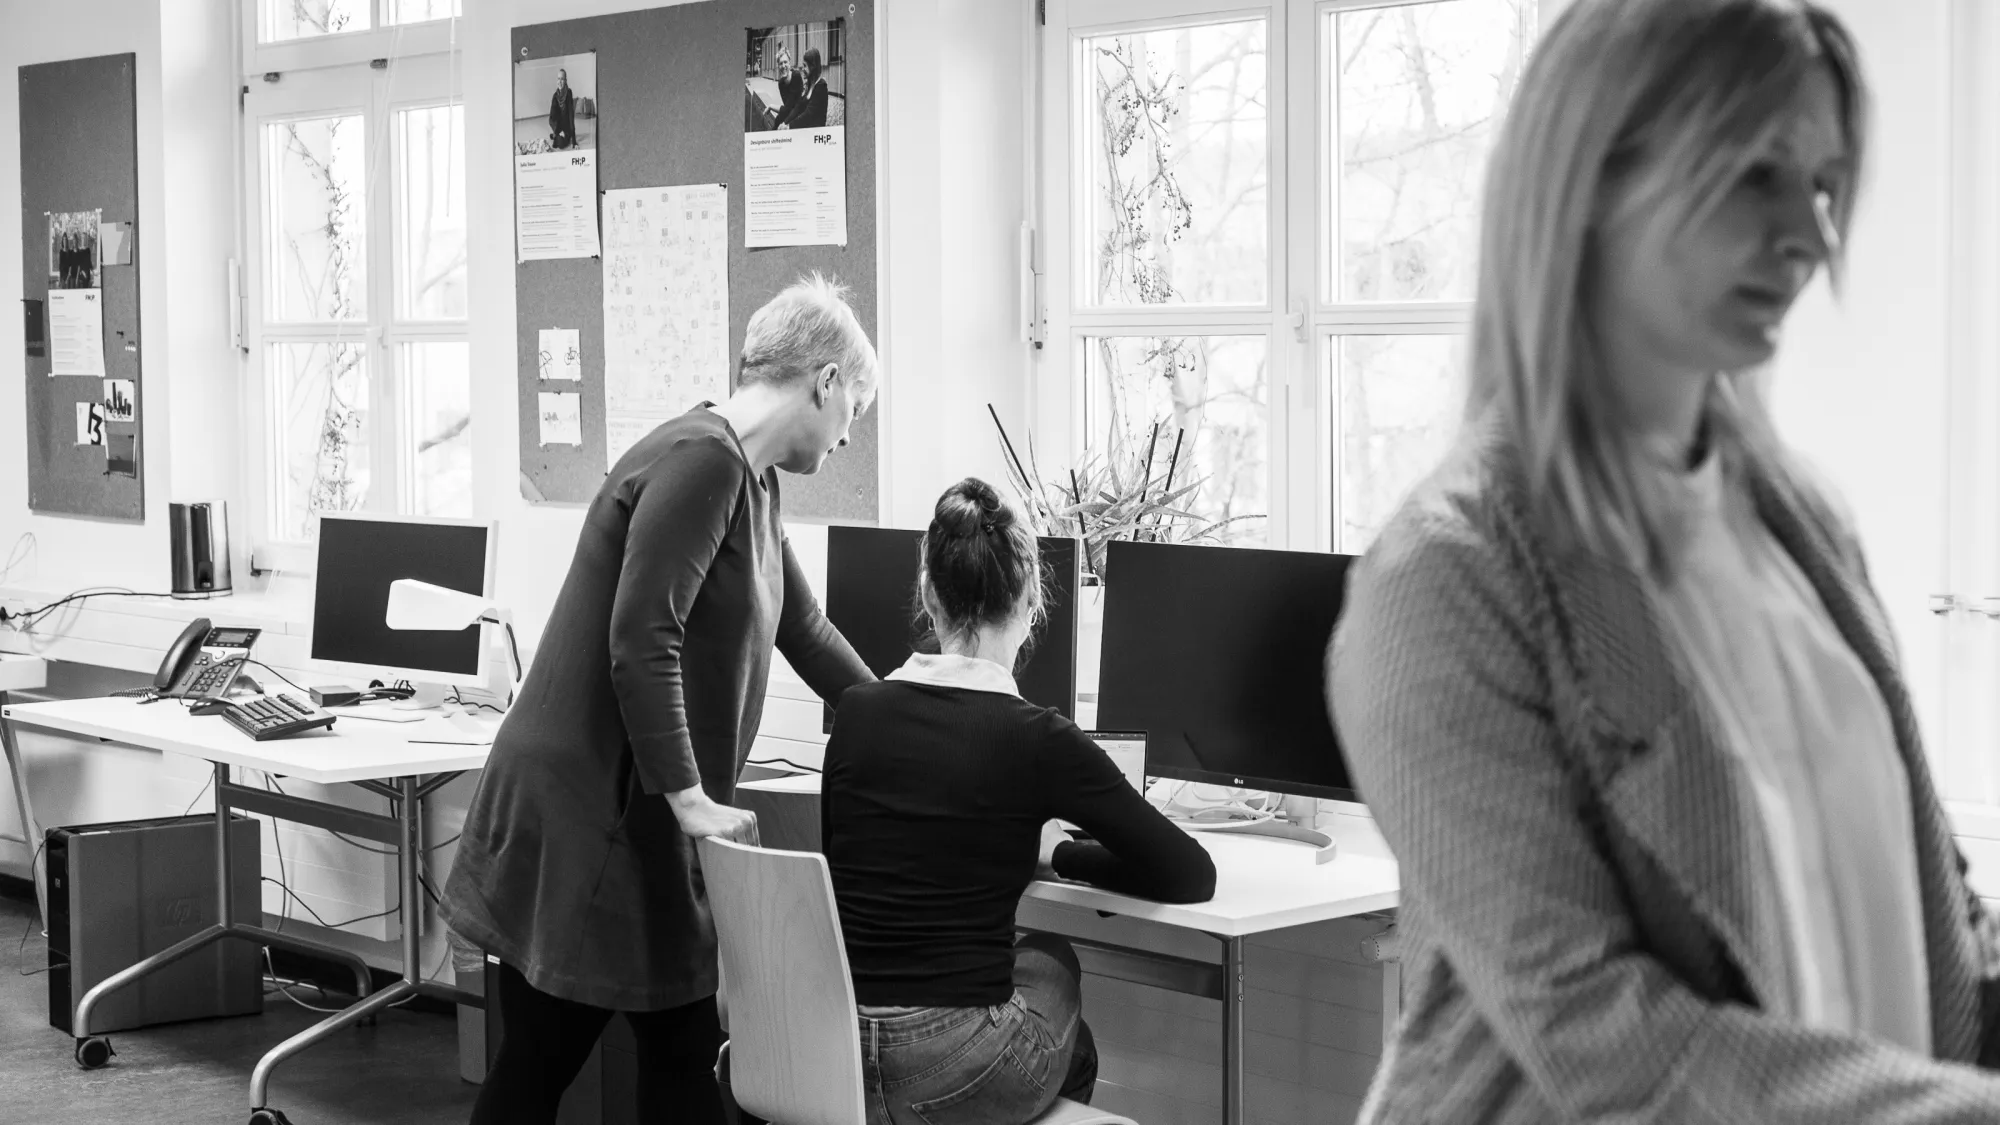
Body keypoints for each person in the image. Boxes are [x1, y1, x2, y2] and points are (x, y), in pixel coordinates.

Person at [1327, 1, 2000, 1121]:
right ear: (1587, 183)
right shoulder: (1448, 580)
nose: (1812, 237)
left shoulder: (1803, 521)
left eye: (1824, 185)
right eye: (1754, 175)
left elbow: (1930, 900)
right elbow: (1597, 1034)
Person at [445, 275, 882, 1125]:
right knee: (546, 1060)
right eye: (853, 414)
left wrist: (906, 720)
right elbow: (643, 638)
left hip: (641, 816)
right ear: (825, 382)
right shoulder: (702, 462)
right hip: (592, 817)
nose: (846, 438)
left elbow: (807, 628)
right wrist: (691, 801)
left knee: (676, 1052)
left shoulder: (750, 478)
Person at [821, 478, 1217, 1125]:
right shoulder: (1038, 738)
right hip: (947, 1068)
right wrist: (1060, 852)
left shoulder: (856, 712)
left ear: (927, 594)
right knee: (1053, 963)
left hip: (835, 1052)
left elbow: (842, 866)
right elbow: (1190, 873)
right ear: (1032, 599)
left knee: (1057, 1022)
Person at [773, 47, 829, 131]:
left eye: (805, 66)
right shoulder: (809, 86)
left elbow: (808, 114)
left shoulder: (821, 86)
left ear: (812, 66)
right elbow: (798, 107)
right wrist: (785, 122)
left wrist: (789, 126)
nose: (802, 69)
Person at [549, 68, 577, 149]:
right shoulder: (555, 96)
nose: (560, 82)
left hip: (566, 128)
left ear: (565, 80)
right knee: (556, 144)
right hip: (558, 127)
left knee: (560, 144)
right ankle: (555, 135)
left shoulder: (569, 93)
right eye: (558, 79)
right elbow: (551, 118)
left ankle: (556, 136)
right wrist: (557, 130)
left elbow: (571, 116)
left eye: (562, 79)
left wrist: (574, 141)